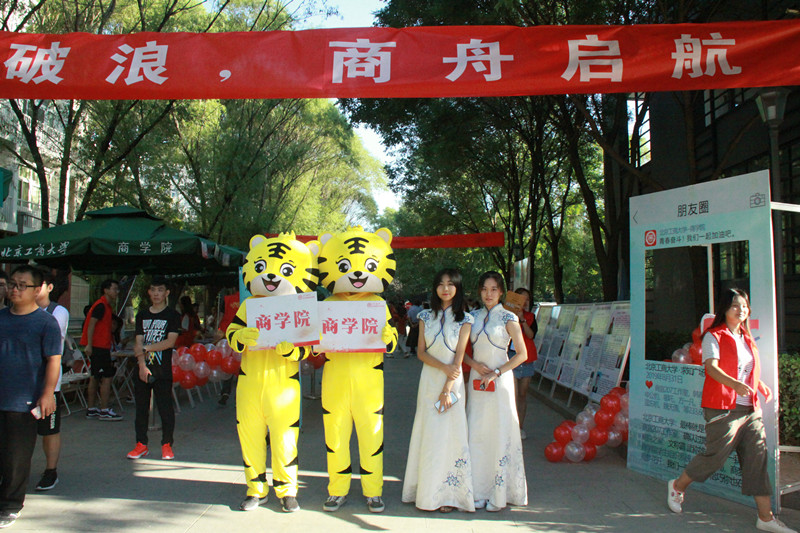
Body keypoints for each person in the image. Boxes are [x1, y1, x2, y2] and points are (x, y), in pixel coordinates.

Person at [667, 289, 796, 533]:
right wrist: (734, 385)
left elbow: (745, 370)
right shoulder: (713, 336)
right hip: (723, 407)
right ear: (724, 308)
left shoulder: (746, 336)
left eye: (744, 305)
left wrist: (759, 385)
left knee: (757, 459)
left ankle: (765, 517)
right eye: (735, 305)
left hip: (751, 409)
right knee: (715, 457)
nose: (741, 310)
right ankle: (677, 486)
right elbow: (712, 368)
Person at [402, 268, 474, 513]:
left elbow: (459, 358)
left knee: (450, 435)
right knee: (429, 432)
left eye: (451, 284)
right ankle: (425, 492)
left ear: (458, 288)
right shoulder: (425, 316)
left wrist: (447, 389)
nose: (445, 288)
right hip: (429, 380)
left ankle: (449, 494)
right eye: (441, 284)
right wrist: (442, 367)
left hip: (452, 384)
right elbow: (421, 353)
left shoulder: (466, 319)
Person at [0, 265, 62, 529]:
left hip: (23, 400)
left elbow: (54, 360)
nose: (15, 289)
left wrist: (47, 393)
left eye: (22, 285)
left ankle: (10, 506)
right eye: (12, 284)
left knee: (17, 457)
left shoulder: (45, 323)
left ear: (37, 290)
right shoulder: (1, 318)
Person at [464, 271, 528, 512]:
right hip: (477, 382)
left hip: (500, 383)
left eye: (493, 289)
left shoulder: (509, 317)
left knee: (499, 432)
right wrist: (474, 364)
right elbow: (460, 351)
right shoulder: (472, 317)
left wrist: (497, 372)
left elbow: (522, 354)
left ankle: (499, 492)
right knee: (477, 432)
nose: (488, 294)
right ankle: (478, 490)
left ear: (501, 292)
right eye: (484, 289)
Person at [127, 277, 180, 461]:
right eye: (153, 290)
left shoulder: (172, 315)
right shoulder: (142, 315)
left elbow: (170, 342)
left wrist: (147, 348)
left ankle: (167, 444)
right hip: (143, 368)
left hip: (162, 369)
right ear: (149, 292)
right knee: (141, 409)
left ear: (166, 293)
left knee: (166, 409)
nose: (156, 294)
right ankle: (141, 444)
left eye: (160, 290)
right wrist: (142, 365)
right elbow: (138, 341)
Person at [34, 268, 69, 491]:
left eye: (36, 285)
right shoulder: (15, 311)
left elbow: (51, 346)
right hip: (22, 385)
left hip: (48, 384)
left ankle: (51, 470)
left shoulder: (58, 312)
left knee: (49, 430)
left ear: (49, 287)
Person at [81, 279, 122, 421]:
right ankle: (104, 410)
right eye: (114, 289)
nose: (116, 292)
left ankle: (92, 409)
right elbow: (91, 325)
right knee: (106, 377)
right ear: (106, 290)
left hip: (100, 346)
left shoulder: (105, 306)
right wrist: (89, 344)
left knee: (95, 377)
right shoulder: (101, 305)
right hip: (99, 347)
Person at [511, 288, 538, 440]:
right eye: (522, 298)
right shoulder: (506, 316)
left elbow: (531, 335)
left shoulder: (530, 317)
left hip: (527, 359)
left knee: (522, 394)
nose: (525, 301)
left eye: (527, 299)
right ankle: (511, 426)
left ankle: (520, 427)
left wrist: (522, 319)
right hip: (511, 357)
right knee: (512, 395)